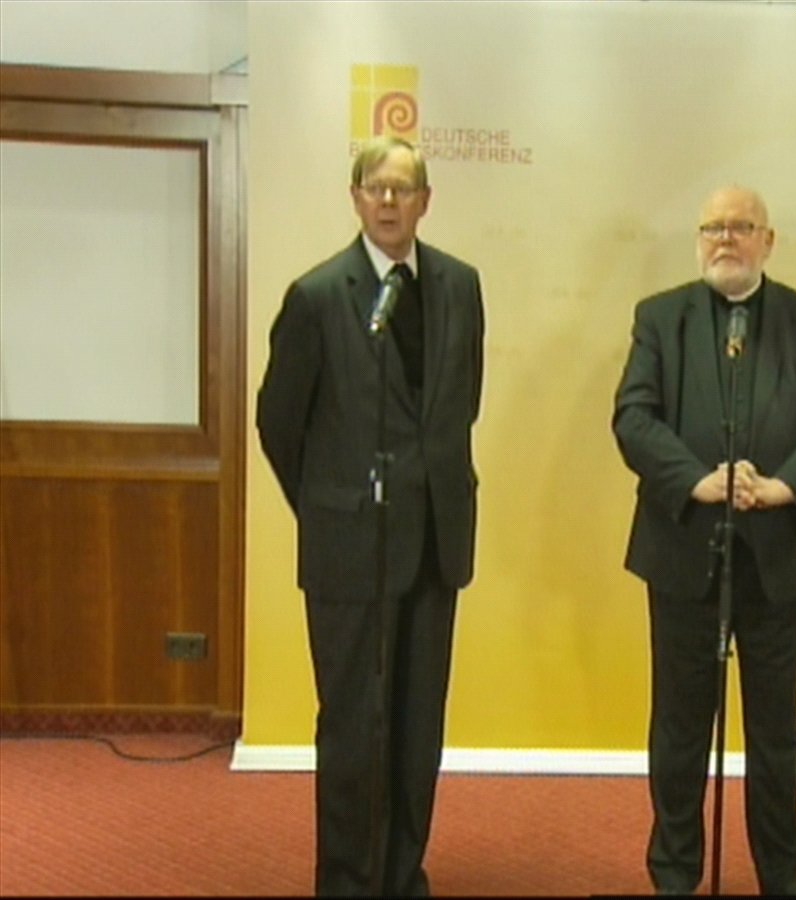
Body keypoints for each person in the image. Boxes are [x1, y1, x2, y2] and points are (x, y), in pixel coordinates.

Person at [613, 185, 796, 896]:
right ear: (698, 240)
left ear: (767, 241)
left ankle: (781, 872)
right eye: (713, 228)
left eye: (742, 227)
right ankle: (674, 872)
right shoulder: (660, 318)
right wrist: (697, 480)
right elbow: (633, 417)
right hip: (683, 548)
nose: (726, 239)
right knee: (679, 724)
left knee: (776, 728)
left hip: (780, 552)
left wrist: (785, 486)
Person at [257, 135, 485, 896]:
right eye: (376, 188)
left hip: (436, 542)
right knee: (356, 725)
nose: (389, 201)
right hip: (351, 545)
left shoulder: (460, 286)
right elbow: (279, 422)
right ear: (355, 198)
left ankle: (402, 874)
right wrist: (332, 503)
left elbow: (461, 404)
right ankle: (350, 882)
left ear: (426, 201)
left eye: (403, 188)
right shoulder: (319, 296)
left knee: (418, 726)